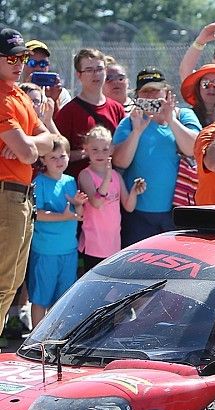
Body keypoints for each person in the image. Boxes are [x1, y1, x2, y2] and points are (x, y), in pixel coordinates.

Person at [0, 27, 54, 348]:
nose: (19, 62)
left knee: (11, 282)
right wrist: (31, 145)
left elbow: (48, 141)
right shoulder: (3, 97)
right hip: (6, 193)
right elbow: (32, 151)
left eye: (22, 57)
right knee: (4, 281)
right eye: (11, 57)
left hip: (21, 196)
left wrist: (29, 143)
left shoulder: (19, 94)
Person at [112, 68, 201, 246]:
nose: (151, 96)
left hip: (177, 211)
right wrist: (137, 131)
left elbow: (193, 149)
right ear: (137, 96)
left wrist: (171, 120)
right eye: (146, 91)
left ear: (166, 92)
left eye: (156, 90)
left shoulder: (183, 116)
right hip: (138, 214)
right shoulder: (130, 122)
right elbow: (119, 162)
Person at [29, 135, 87, 326]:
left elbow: (78, 214)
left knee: (63, 300)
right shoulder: (40, 182)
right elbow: (37, 214)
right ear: (43, 159)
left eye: (62, 156)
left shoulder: (70, 181)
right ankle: (36, 341)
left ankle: (54, 339)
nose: (58, 161)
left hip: (68, 250)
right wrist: (65, 216)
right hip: (45, 252)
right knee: (40, 299)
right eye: (53, 157)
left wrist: (78, 205)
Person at [78, 126, 145, 270]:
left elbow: (128, 206)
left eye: (105, 149)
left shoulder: (116, 175)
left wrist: (134, 191)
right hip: (93, 245)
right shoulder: (85, 175)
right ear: (86, 149)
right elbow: (96, 202)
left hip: (113, 245)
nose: (100, 153)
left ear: (111, 150)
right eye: (95, 149)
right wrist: (108, 176)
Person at [55, 48, 126, 178]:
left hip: (111, 188)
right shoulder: (68, 112)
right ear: (79, 75)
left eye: (99, 69)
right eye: (89, 70)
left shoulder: (117, 109)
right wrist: (89, 152)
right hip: (79, 189)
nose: (95, 74)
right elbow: (56, 154)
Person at [21, 39, 71, 110]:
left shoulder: (60, 94)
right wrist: (26, 91)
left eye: (43, 63)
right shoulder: (14, 91)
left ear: (48, 66)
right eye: (32, 63)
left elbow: (64, 120)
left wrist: (53, 101)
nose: (38, 68)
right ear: (22, 64)